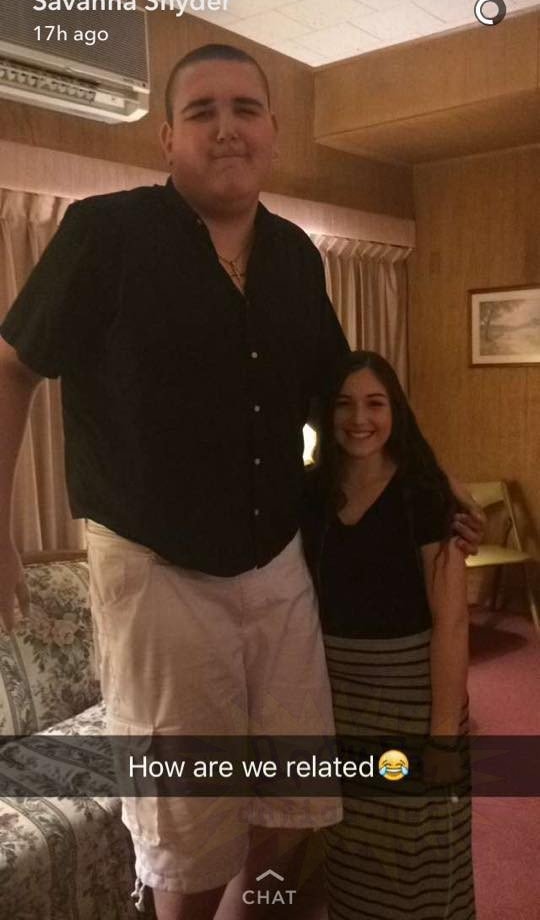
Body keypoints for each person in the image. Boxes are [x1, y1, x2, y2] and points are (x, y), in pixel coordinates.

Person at [0, 46, 481, 920]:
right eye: (202, 111)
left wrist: (433, 483)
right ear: (166, 137)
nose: (226, 128)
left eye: (245, 109)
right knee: (187, 836)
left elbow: (347, 391)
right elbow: (11, 369)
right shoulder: (104, 234)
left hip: (274, 563)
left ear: (273, 130)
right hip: (157, 571)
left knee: (291, 806)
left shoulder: (297, 254)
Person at [303, 350, 475, 920]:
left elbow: (452, 621)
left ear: (395, 411)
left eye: (375, 403)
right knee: (350, 845)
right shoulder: (310, 495)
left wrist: (443, 738)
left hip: (412, 697)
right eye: (345, 404)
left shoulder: (424, 493)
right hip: (337, 698)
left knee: (418, 848)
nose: (360, 418)